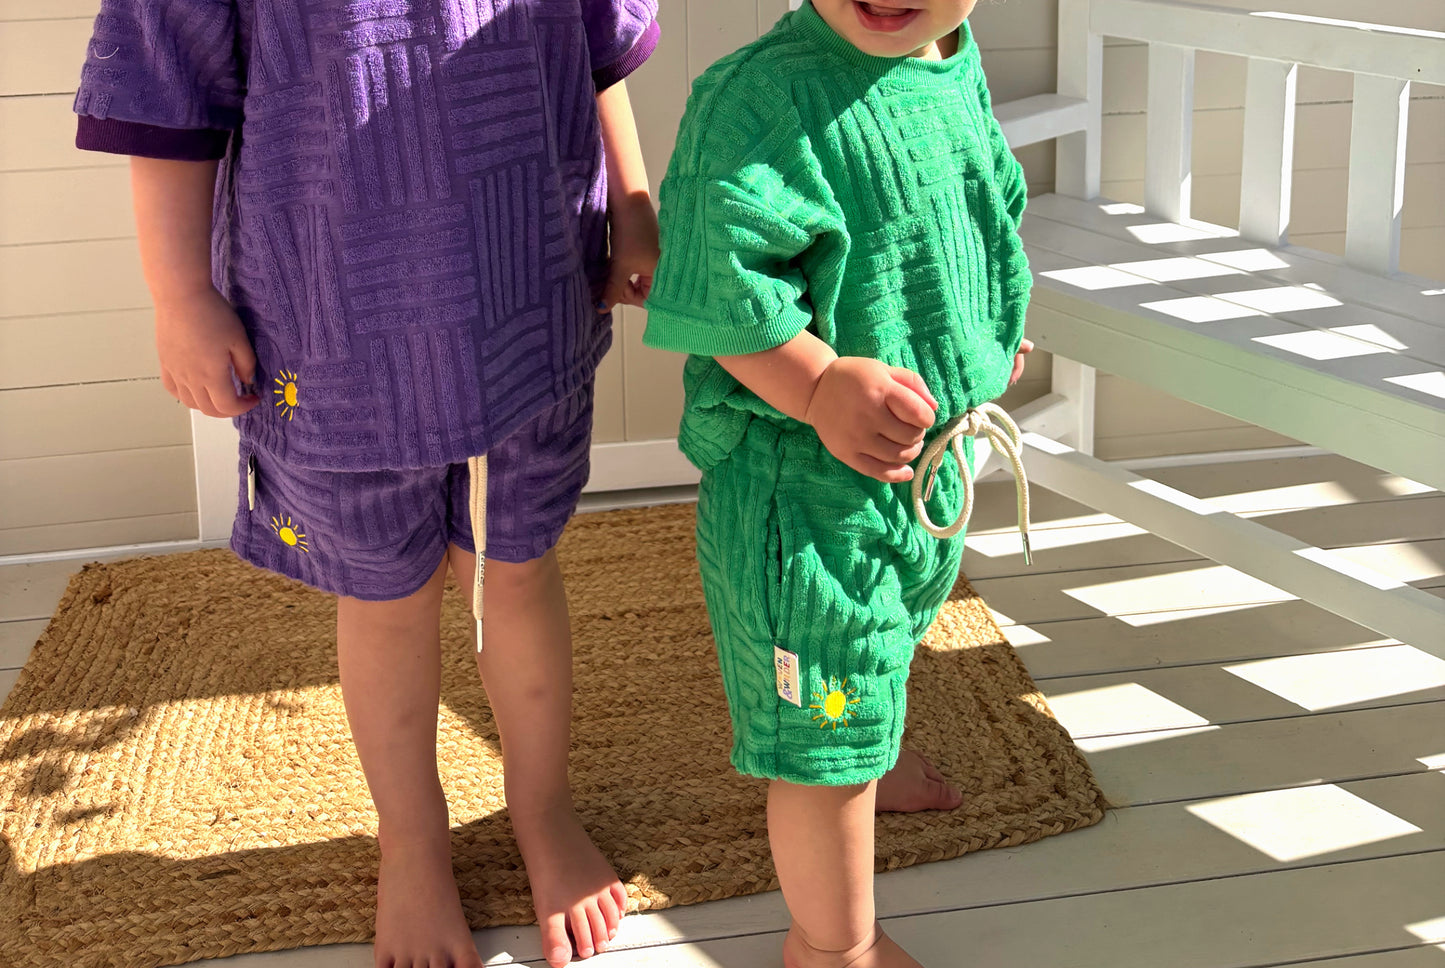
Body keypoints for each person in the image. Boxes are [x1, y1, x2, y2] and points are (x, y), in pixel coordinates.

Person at [73, 2, 661, 965]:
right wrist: (179, 294)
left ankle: (542, 809)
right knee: (385, 594)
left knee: (516, 567)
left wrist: (632, 201)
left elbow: (596, 38)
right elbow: (163, 74)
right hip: (333, 312)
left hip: (532, 278)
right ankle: (413, 837)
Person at [643, 1, 1033, 964]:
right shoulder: (756, 98)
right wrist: (816, 382)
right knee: (821, 725)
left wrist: (984, 329)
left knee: (893, 633)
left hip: (926, 462)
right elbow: (721, 281)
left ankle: (876, 742)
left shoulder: (945, 58)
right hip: (802, 491)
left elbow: (981, 206)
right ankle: (832, 948)